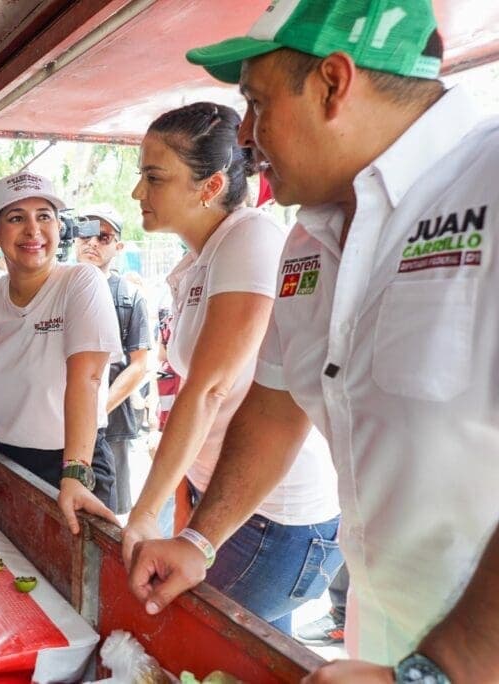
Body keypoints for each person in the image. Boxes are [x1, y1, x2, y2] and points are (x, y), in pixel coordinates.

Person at [127, 2, 499, 681]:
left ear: (333, 83)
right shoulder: (309, 239)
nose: (245, 135)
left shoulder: (491, 182)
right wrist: (199, 539)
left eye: (257, 102)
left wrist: (445, 670)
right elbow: (275, 404)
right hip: (390, 620)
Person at [120, 102, 341, 635]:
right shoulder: (199, 260)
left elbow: (212, 388)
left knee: (184, 642)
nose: (137, 193)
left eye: (154, 177)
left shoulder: (251, 238)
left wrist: (144, 512)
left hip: (272, 516)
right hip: (224, 502)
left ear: (210, 185)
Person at [0, 172, 122, 534]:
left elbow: (88, 377)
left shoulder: (81, 282)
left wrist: (75, 471)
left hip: (69, 463)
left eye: (44, 216)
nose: (33, 231)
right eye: (16, 218)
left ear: (59, 227)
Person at [74, 209, 152, 516]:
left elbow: (139, 364)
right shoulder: (54, 287)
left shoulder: (130, 297)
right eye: (85, 234)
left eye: (103, 237)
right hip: (58, 422)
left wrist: (96, 411)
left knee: (108, 512)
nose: (92, 243)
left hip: (110, 424)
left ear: (118, 246)